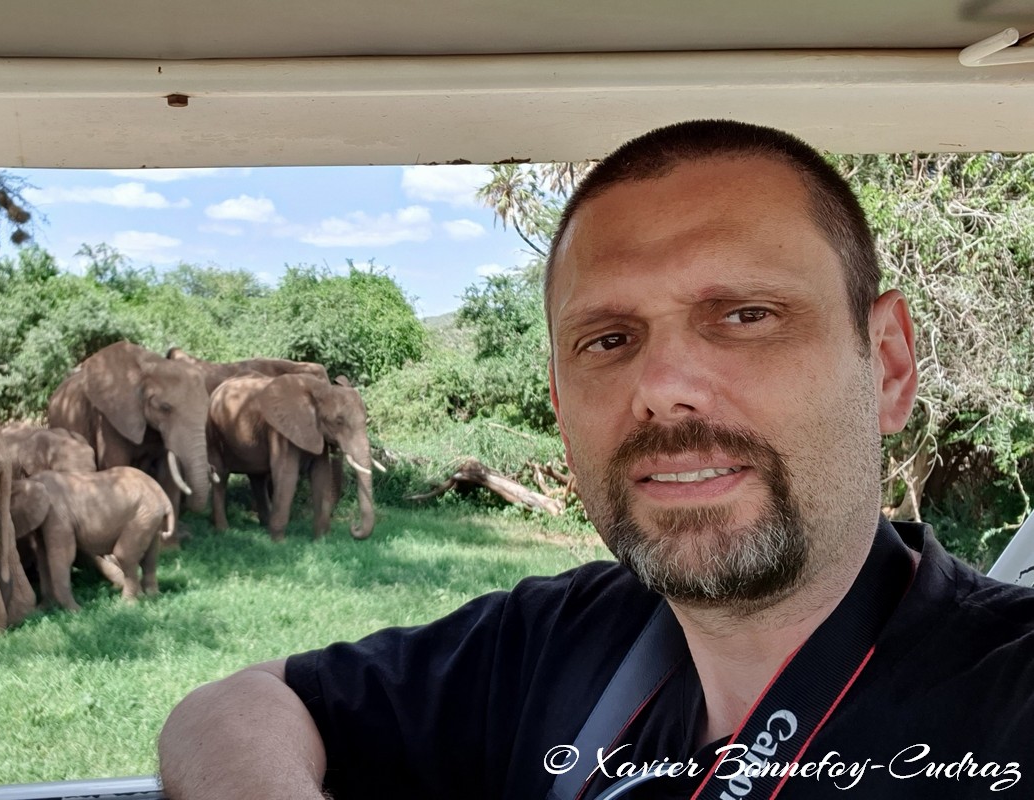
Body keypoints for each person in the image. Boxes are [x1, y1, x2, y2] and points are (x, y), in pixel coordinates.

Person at [156, 120, 1034, 799]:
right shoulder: (555, 641)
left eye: (745, 316)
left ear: (887, 366)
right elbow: (232, 708)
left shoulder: (1009, 692)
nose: (662, 389)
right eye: (607, 339)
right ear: (559, 404)